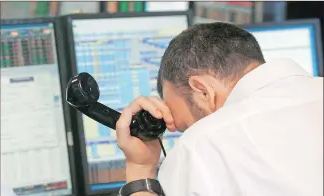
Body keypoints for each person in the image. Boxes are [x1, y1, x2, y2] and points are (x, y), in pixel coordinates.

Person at [115, 22, 323, 196]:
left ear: (203, 91)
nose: (192, 132)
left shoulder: (201, 146)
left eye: (187, 126)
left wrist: (139, 171)